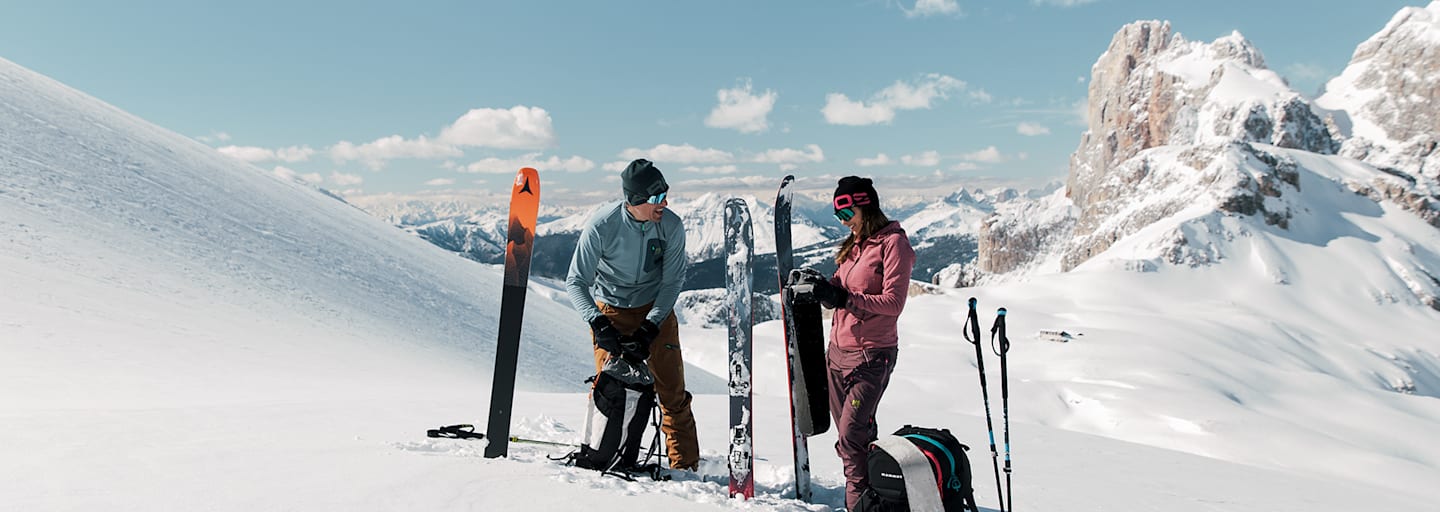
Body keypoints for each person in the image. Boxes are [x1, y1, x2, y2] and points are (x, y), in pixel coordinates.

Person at [565, 158, 698, 471]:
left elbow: (672, 280)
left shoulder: (671, 226)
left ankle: (686, 468)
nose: (664, 202)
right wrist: (598, 323)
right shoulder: (602, 226)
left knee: (672, 393)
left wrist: (651, 326)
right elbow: (576, 281)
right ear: (635, 200)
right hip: (610, 311)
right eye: (656, 198)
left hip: (655, 309)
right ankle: (603, 456)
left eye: (665, 194)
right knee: (610, 391)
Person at [792, 176, 916, 511]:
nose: (843, 222)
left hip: (872, 355)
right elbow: (841, 286)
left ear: (864, 205)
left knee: (850, 436)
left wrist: (842, 297)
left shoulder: (894, 244)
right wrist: (819, 285)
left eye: (846, 214)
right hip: (836, 355)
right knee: (858, 435)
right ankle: (879, 494)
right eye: (837, 217)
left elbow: (893, 304)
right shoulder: (855, 245)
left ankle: (857, 503)